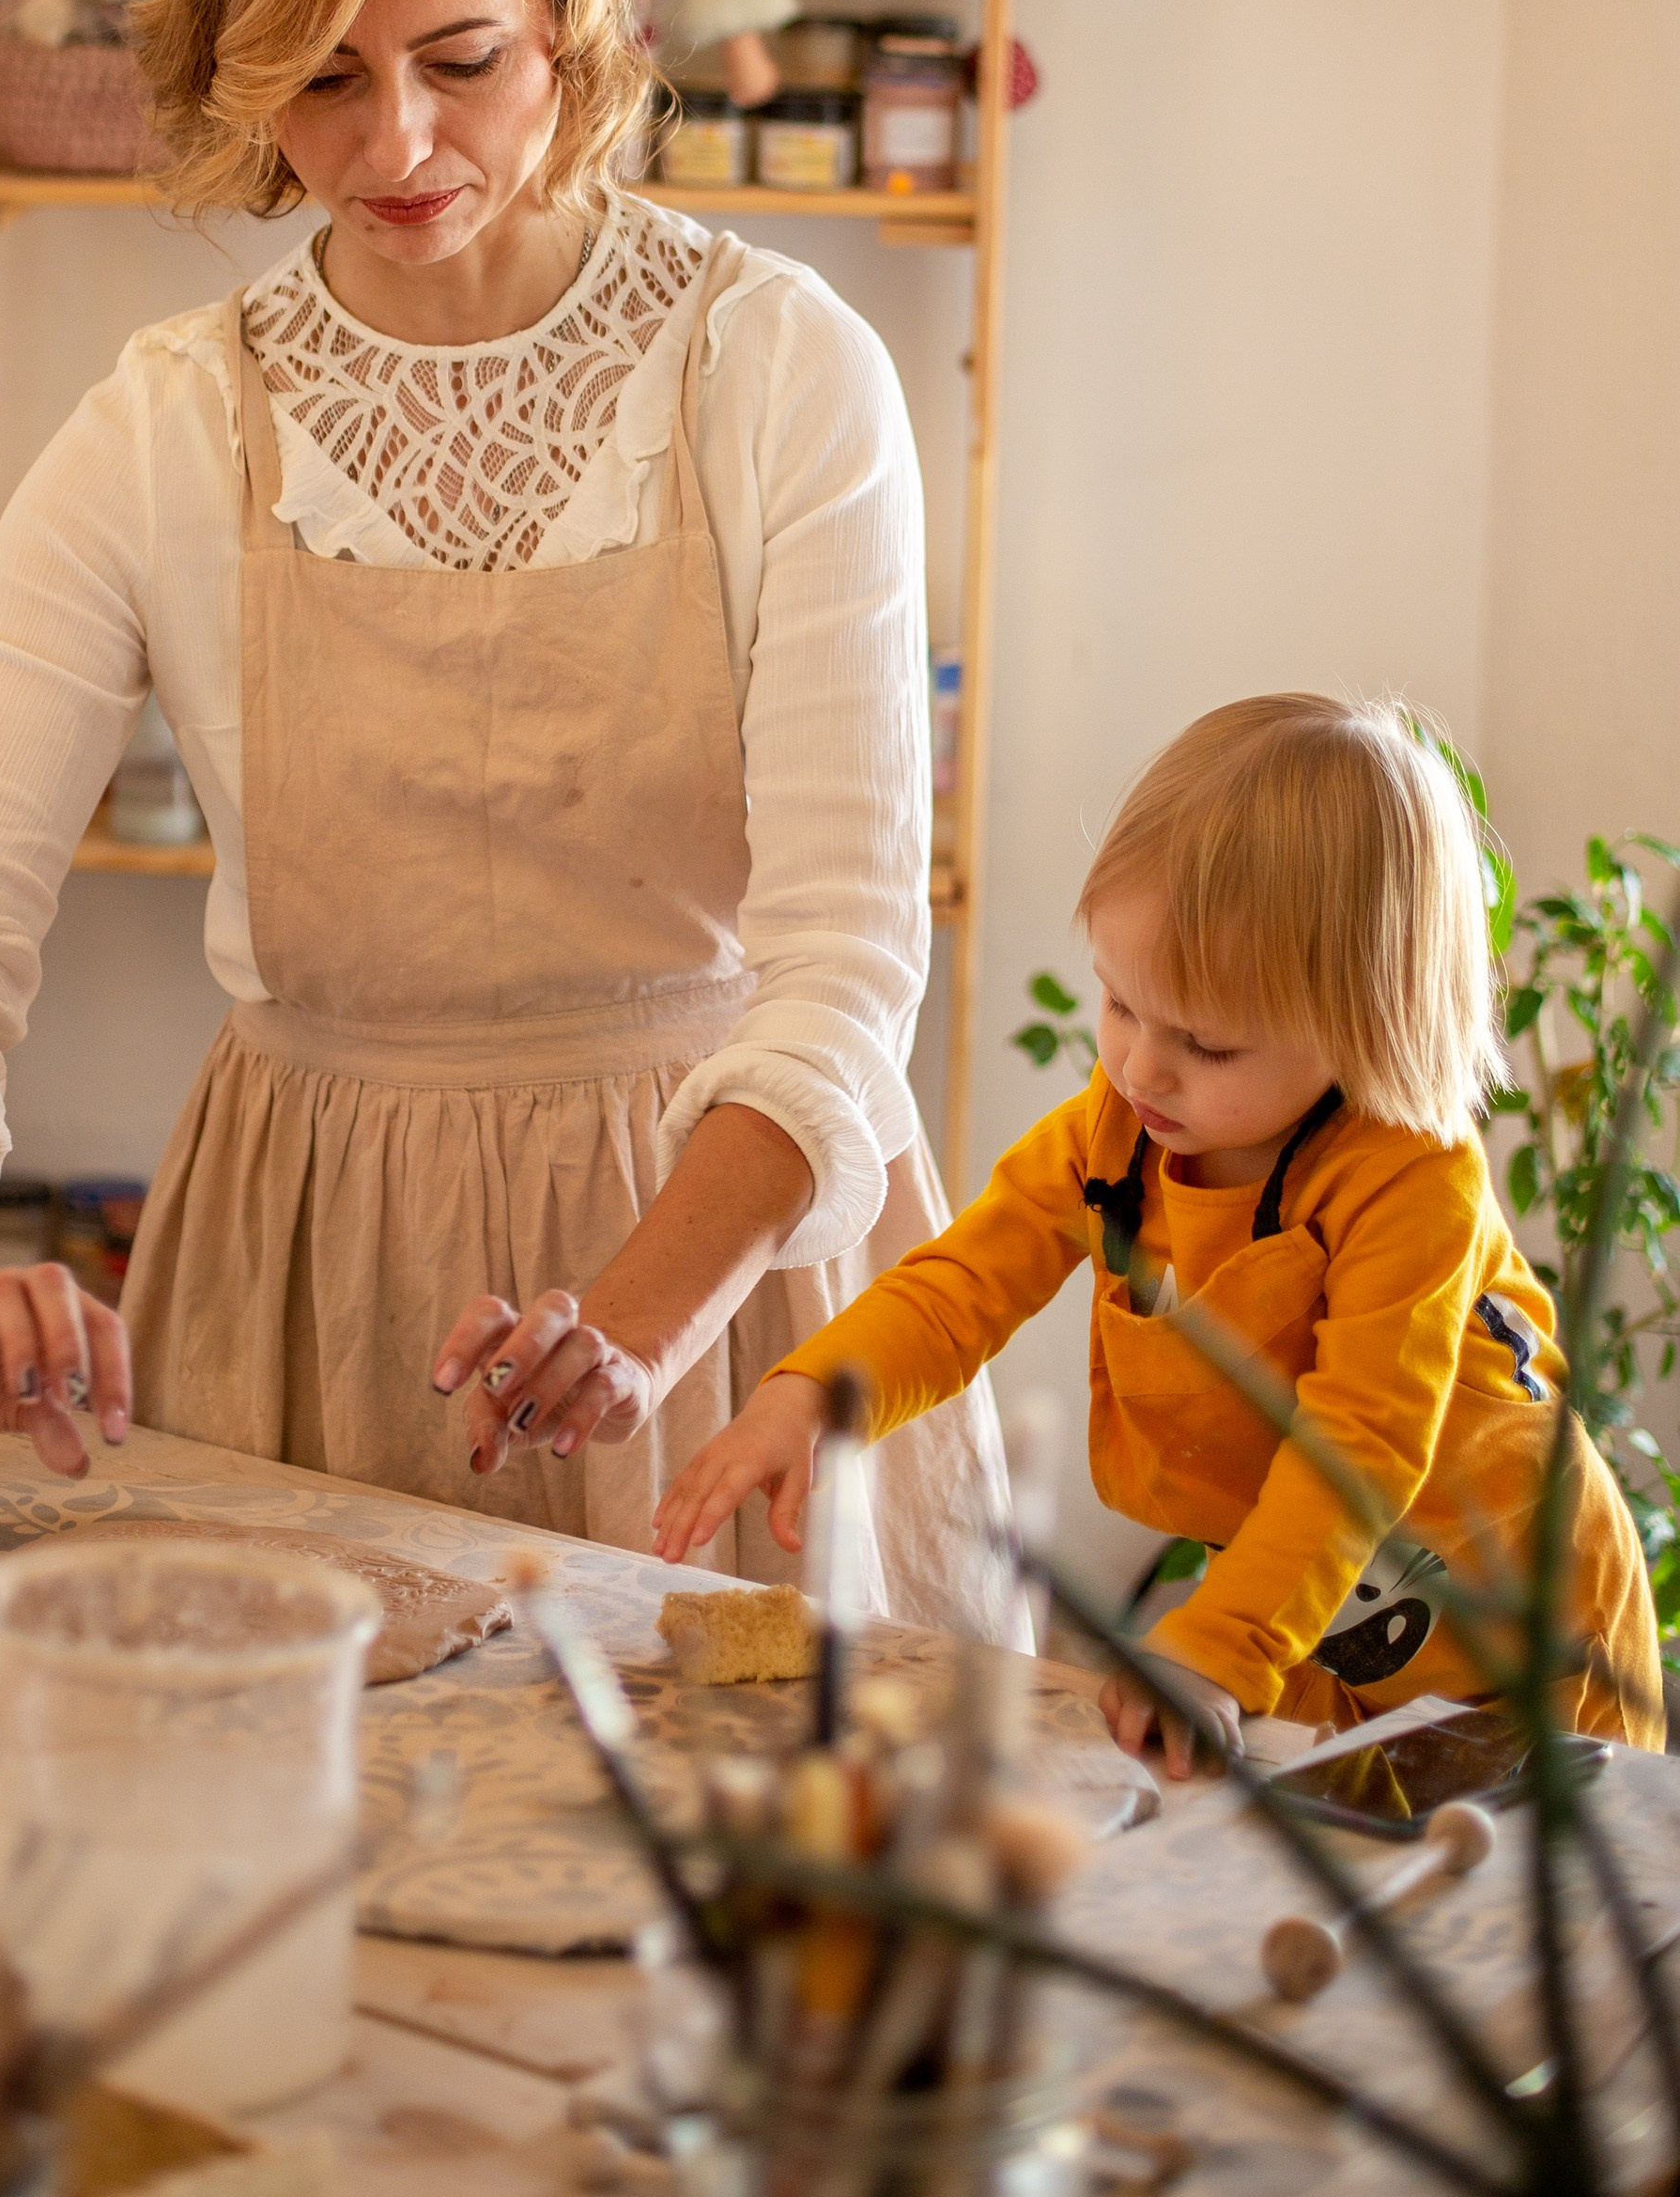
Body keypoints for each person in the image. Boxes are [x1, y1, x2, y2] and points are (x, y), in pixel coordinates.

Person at [0, 0, 1021, 1638]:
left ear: (570, 18)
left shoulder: (777, 374)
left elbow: (848, 954)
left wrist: (635, 1318)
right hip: (309, 1277)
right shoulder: (167, 427)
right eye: (318, 79)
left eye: (461, 63)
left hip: (721, 1261)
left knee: (755, 1897)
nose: (395, 146)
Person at [655, 692, 1665, 1759]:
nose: (1138, 1066)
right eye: (1119, 1004)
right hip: (1335, 1656)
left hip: (1535, 1663)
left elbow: (1357, 1451)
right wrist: (812, 1392)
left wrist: (1216, 1644)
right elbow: (961, 1284)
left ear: (1364, 1022)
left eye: (1206, 1044)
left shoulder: (1414, 1184)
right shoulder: (1116, 1134)